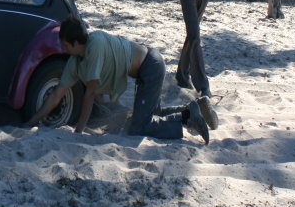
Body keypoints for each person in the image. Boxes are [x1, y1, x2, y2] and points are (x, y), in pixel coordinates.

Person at [24, 15, 215, 144]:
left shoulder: (95, 45)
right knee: (152, 112)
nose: (63, 48)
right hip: (145, 71)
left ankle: (187, 118)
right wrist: (33, 120)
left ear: (75, 42)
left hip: (151, 66)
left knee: (139, 127)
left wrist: (78, 132)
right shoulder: (75, 61)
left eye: (65, 44)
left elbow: (90, 94)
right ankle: (193, 108)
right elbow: (58, 93)